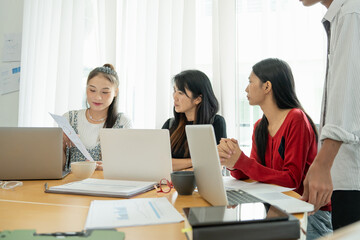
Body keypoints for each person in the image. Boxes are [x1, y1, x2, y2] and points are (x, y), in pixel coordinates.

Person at [217, 58, 332, 239]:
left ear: (267, 86)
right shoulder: (259, 126)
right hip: (280, 209)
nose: (246, 89)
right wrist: (232, 161)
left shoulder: (296, 118)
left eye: (250, 82)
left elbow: (292, 180)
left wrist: (242, 161)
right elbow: (250, 172)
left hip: (309, 213)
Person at [299, 0, 360, 231]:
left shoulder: (351, 11)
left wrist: (323, 163)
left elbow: (348, 91)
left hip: (354, 176)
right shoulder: (343, 14)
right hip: (347, 176)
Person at [63, 64, 132, 170]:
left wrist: (110, 167)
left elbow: (128, 165)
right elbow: (57, 167)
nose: (97, 97)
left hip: (106, 184)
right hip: (70, 183)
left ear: (115, 92)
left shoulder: (123, 122)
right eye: (92, 90)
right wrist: (60, 143)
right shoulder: (69, 119)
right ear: (86, 89)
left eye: (105, 92)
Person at [162, 69, 227, 171]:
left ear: (198, 99)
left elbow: (217, 164)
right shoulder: (170, 124)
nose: (175, 97)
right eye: (174, 91)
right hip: (170, 185)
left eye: (180, 93)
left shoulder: (216, 122)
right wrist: (197, 162)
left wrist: (179, 169)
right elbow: (161, 163)